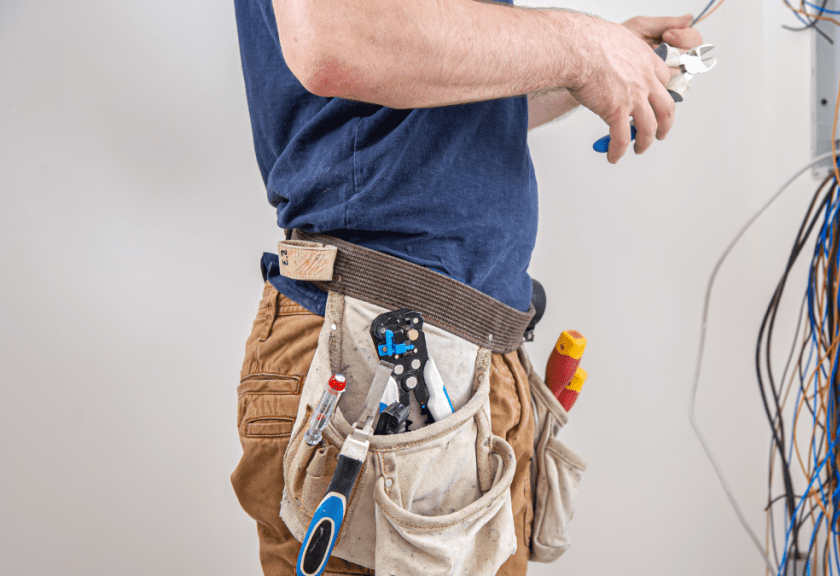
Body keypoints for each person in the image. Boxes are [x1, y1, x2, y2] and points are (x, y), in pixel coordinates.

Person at [229, 1, 704, 575]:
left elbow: (427, 111)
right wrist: (582, 48)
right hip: (364, 355)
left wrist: (595, 65)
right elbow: (336, 42)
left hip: (472, 359)